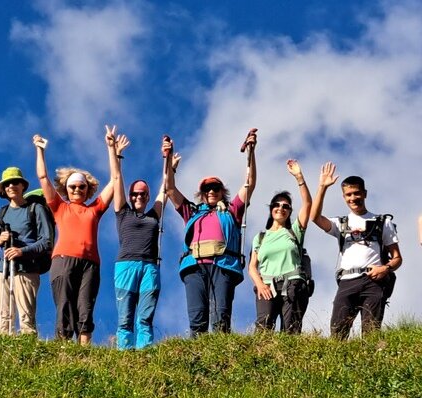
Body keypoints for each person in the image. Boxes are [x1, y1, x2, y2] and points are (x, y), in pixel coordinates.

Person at [162, 128, 257, 336]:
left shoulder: (232, 211)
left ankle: (221, 360)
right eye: (207, 189)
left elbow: (249, 184)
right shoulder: (192, 212)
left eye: (216, 188)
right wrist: (168, 160)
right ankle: (198, 362)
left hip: (222, 265)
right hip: (194, 266)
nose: (211, 191)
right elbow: (169, 189)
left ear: (223, 191)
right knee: (197, 318)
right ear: (202, 194)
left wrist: (251, 151)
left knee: (220, 317)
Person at [34, 129, 114, 345]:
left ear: (88, 189)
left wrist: (112, 150)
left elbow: (115, 181)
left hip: (90, 264)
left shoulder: (94, 210)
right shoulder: (59, 206)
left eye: (81, 186)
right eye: (73, 187)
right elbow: (42, 177)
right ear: (66, 189)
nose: (77, 189)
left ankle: (84, 351)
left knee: (85, 307)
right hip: (63, 261)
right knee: (65, 306)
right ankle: (64, 349)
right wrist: (40, 150)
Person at [310, 162, 402, 339]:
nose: (353, 198)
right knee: (337, 333)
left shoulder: (382, 222)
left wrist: (385, 269)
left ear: (365, 193)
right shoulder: (341, 223)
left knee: (371, 333)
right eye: (348, 195)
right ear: (344, 197)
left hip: (373, 280)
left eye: (357, 193)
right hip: (347, 281)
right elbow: (314, 217)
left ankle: (372, 364)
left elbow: (397, 258)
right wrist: (322, 187)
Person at [107, 127, 176, 349]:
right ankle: (125, 355)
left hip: (149, 267)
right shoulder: (122, 211)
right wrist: (114, 152)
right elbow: (116, 177)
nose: (138, 196)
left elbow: (165, 189)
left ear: (147, 196)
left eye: (142, 193)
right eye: (134, 193)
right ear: (130, 196)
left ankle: (144, 354)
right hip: (126, 266)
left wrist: (169, 163)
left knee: (145, 318)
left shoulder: (154, 214)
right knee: (125, 319)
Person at [0, 167, 52, 335]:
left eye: (15, 182)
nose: (11, 186)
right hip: (3, 269)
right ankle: (5, 353)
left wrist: (22, 251)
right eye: (7, 184)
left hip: (27, 268)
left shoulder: (36, 209)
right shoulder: (0, 214)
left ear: (23, 186)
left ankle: (26, 353)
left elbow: (47, 240)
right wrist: (0, 241)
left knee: (26, 316)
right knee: (2, 315)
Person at [247, 160, 311, 333]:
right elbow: (252, 266)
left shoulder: (295, 232)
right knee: (263, 327)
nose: (280, 208)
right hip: (267, 285)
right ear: (271, 209)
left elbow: (307, 205)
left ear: (290, 211)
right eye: (276, 204)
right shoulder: (260, 237)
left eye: (286, 206)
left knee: (291, 329)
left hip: (293, 285)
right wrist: (260, 284)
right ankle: (260, 360)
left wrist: (299, 177)